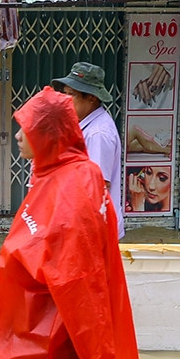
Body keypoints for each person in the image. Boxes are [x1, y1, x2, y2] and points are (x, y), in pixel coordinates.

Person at [0, 89, 143, 359]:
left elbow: (78, 270)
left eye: (27, 129)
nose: (18, 136)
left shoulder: (74, 182)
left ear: (48, 135)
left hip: (54, 320)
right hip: (34, 313)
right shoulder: (57, 174)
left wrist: (92, 341)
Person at [51, 62, 125, 239]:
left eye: (72, 95)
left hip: (95, 228)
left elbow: (97, 186)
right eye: (65, 94)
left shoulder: (97, 133)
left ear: (91, 98)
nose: (65, 100)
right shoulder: (85, 125)